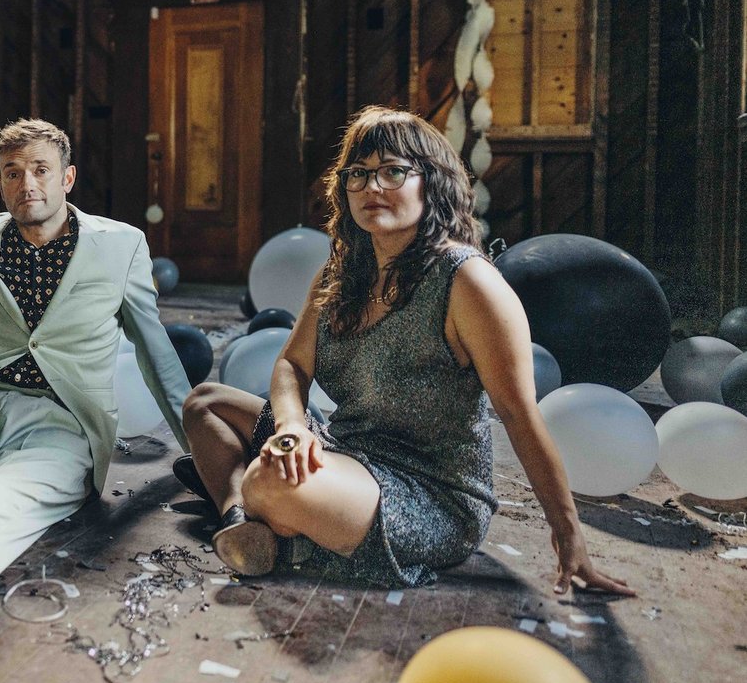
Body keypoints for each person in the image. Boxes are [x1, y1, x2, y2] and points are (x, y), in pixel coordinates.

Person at [180, 106, 634, 596]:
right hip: (343, 447)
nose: (372, 187)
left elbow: (520, 415)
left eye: (393, 171)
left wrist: (569, 536)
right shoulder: (341, 272)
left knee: (270, 479)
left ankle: (261, 508)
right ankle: (243, 521)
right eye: (359, 174)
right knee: (205, 403)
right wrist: (292, 425)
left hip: (427, 492)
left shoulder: (467, 281)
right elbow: (292, 365)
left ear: (431, 183)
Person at [0, 118, 192, 621]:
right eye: (12, 173)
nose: (26, 184)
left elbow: (155, 351)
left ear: (68, 178)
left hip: (63, 418)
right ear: (0, 182)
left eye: (40, 170)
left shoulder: (120, 245)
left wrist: (202, 450)